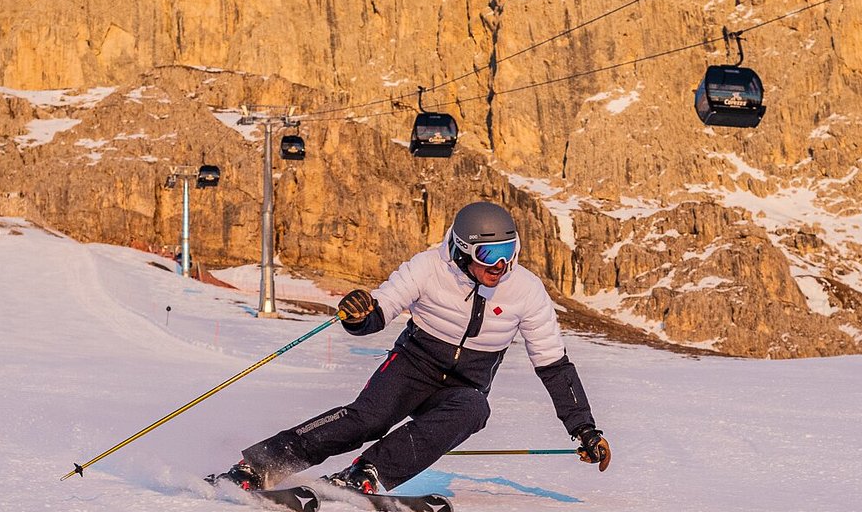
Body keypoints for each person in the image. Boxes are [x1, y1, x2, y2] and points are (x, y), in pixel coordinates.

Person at [210, 201, 611, 495]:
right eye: (489, 255)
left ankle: (368, 472)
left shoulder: (526, 291)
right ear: (461, 250)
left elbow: (553, 366)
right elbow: (380, 311)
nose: (499, 267)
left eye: (509, 254)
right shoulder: (428, 267)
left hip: (466, 383)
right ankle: (259, 465)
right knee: (367, 420)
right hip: (414, 364)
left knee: (474, 409)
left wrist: (584, 429)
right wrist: (358, 314)